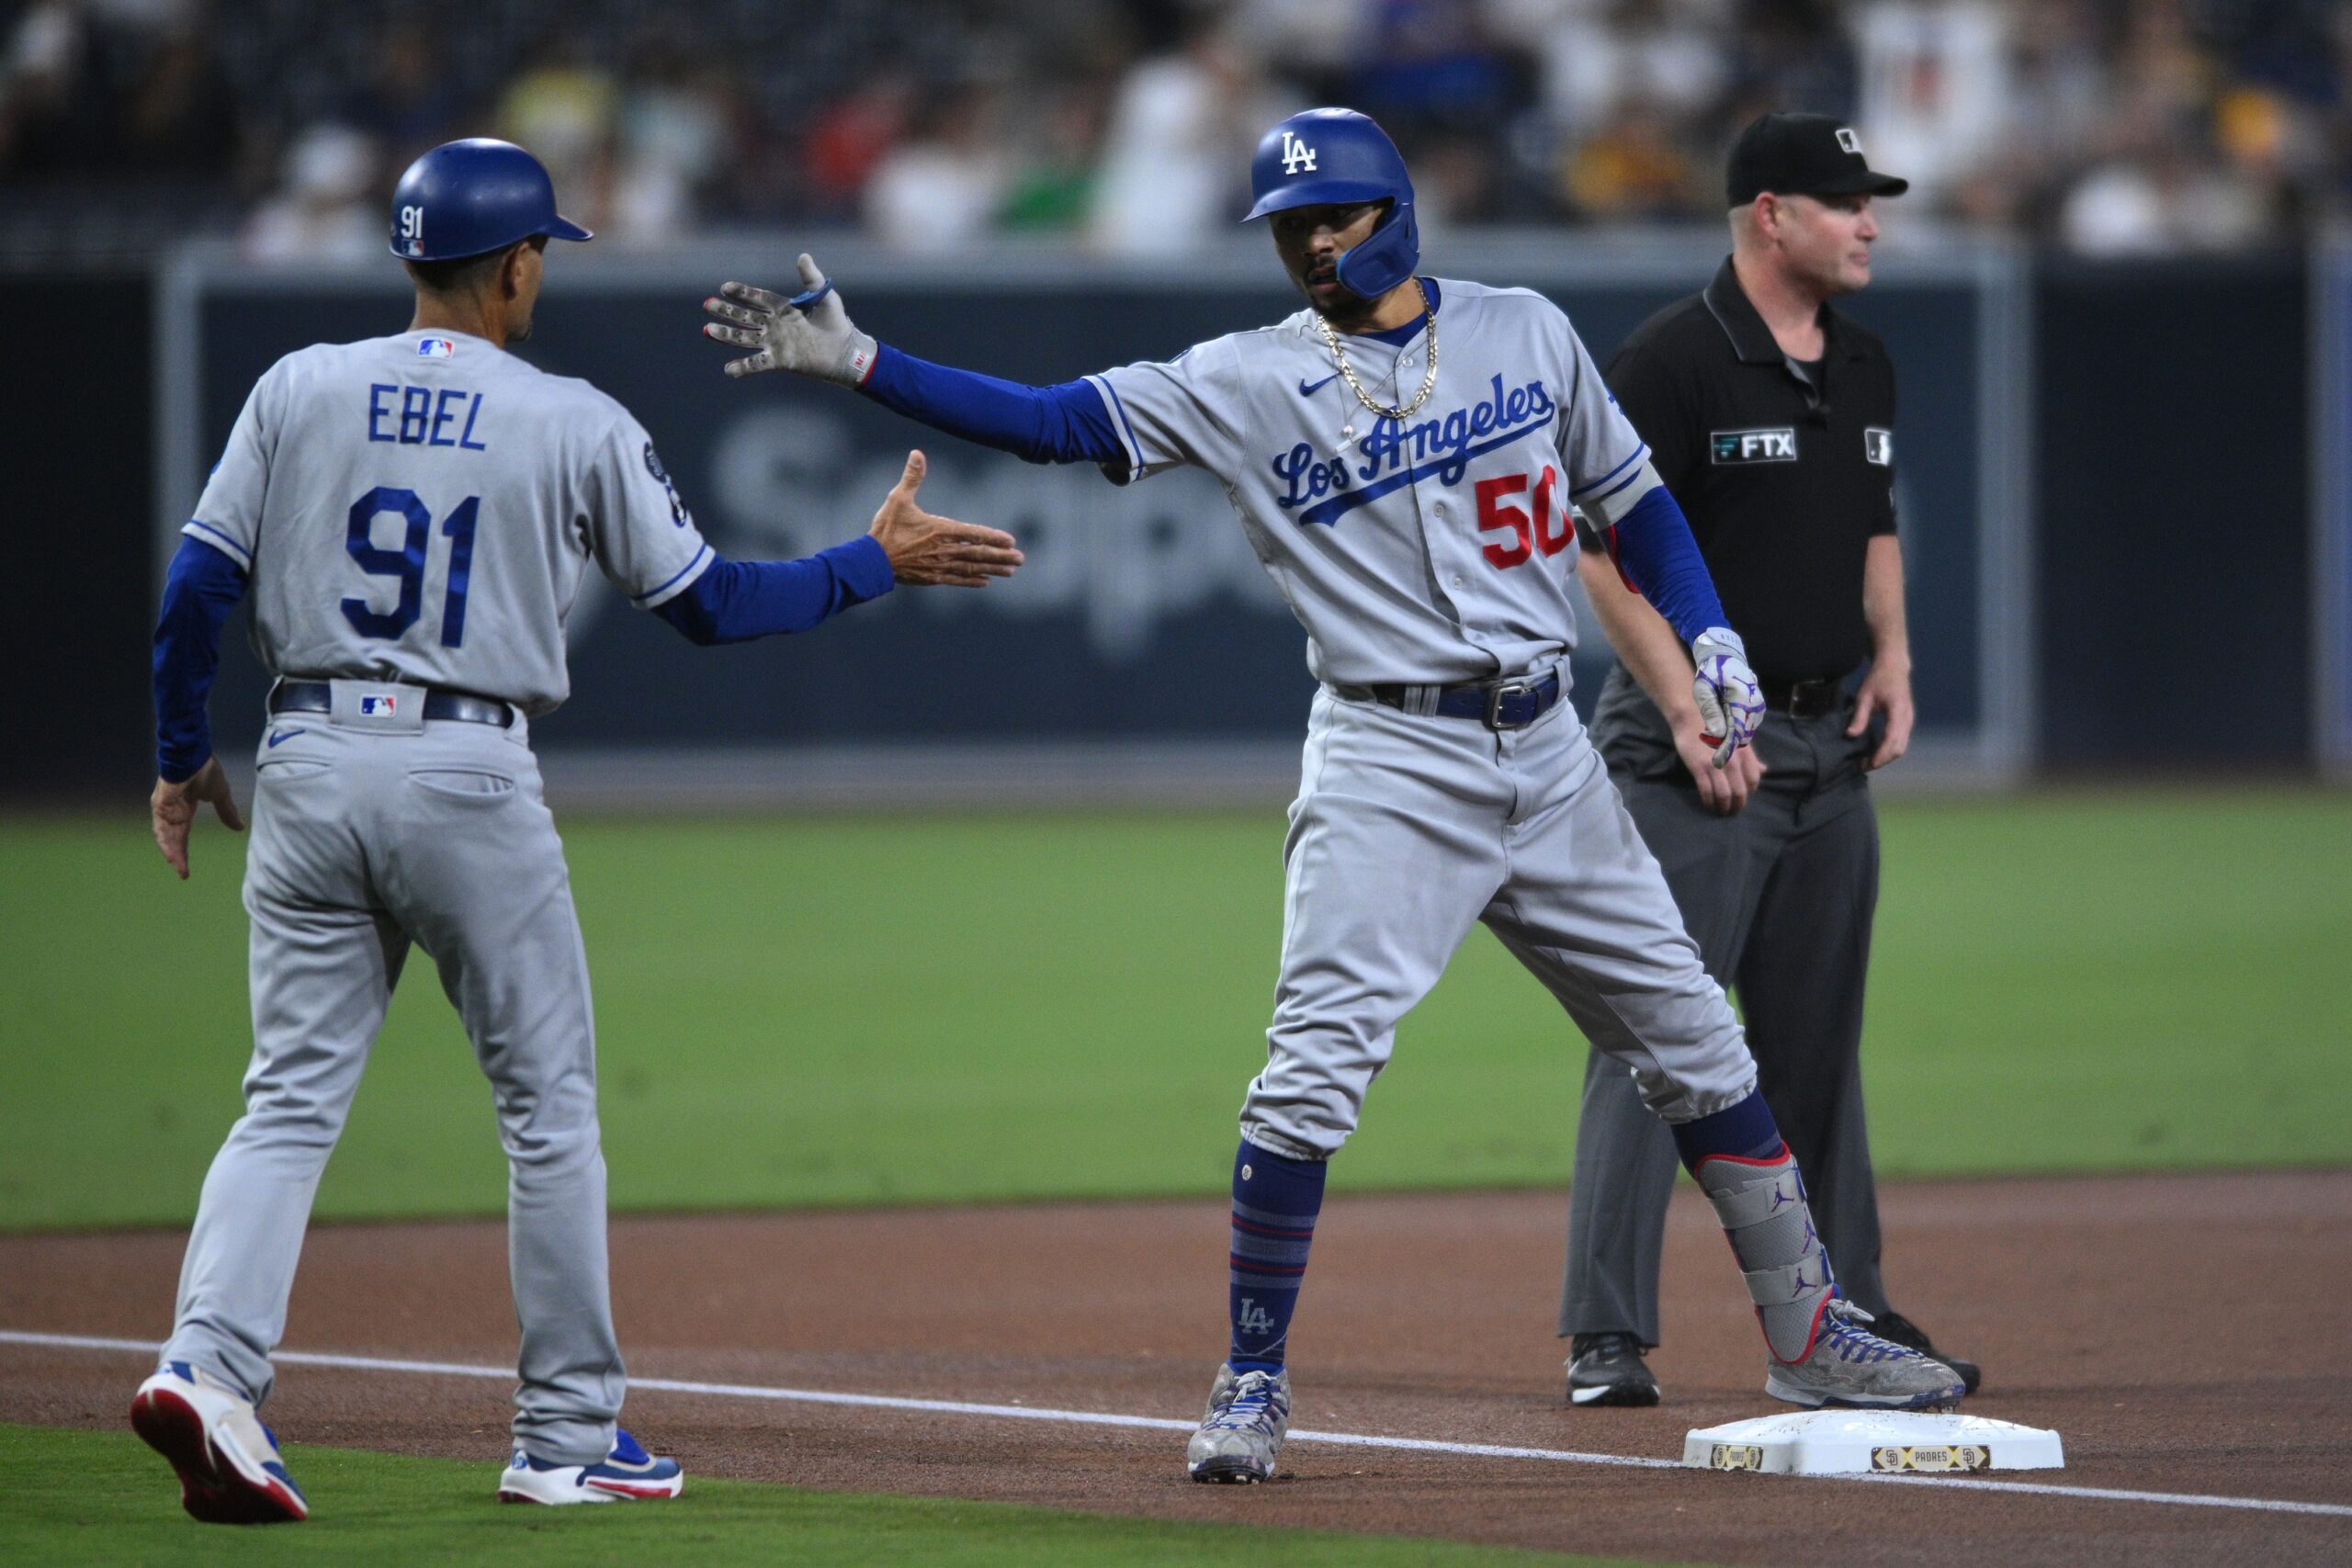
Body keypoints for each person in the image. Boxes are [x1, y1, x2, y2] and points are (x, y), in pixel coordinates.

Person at [700, 106, 1963, 1486]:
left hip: (1547, 752)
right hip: (1389, 763)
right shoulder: (1247, 378)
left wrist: (1704, 629)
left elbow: (1635, 497)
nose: (1309, 245)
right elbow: (1058, 423)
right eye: (1291, 226)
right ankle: (1250, 1382)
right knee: (1311, 1073)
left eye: (1334, 219)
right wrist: (866, 362)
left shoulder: (1525, 330)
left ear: (1399, 216)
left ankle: (1808, 1329)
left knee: (1697, 1047)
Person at [133, 137, 1021, 1524]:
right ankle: (565, 1436)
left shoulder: (294, 384)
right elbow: (715, 607)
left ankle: (210, 1370)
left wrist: (184, 756)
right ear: (518, 263)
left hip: (303, 757)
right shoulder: (571, 416)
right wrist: (873, 563)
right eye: (542, 252)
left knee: (288, 1098)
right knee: (546, 1114)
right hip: (467, 772)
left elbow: (194, 592)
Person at [1558, 112, 1980, 1409]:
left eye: (1872, 201)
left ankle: (1841, 1306)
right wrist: (1687, 704)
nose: (1870, 222)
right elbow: (1590, 548)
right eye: (1846, 200)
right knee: (1657, 1034)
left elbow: (1875, 523)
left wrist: (1894, 662)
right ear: (1769, 215)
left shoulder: (1864, 366)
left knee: (1815, 1044)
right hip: (1691, 755)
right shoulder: (1674, 362)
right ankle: (1607, 1333)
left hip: (1825, 748)